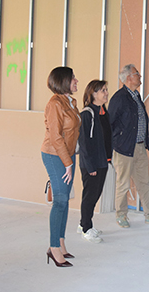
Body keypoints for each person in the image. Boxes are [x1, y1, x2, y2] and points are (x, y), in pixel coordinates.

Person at [108, 64, 149, 228]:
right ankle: (121, 216)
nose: (140, 77)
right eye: (137, 74)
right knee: (123, 184)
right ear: (128, 78)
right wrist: (117, 143)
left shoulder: (136, 96)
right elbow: (109, 124)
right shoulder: (119, 98)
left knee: (144, 184)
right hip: (124, 149)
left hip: (139, 147)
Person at [40, 66, 80, 267]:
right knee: (60, 201)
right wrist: (68, 163)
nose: (76, 81)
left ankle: (61, 243)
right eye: (73, 78)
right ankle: (54, 247)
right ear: (63, 81)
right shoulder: (55, 104)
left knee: (64, 201)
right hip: (55, 156)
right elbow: (56, 137)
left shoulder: (69, 101)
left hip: (67, 155)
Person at [77, 80, 112, 243]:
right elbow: (84, 143)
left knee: (95, 195)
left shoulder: (103, 112)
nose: (106, 93)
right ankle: (86, 228)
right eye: (103, 90)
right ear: (93, 94)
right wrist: (90, 166)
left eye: (106, 89)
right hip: (91, 163)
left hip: (103, 161)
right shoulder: (87, 114)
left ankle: (83, 223)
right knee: (90, 196)